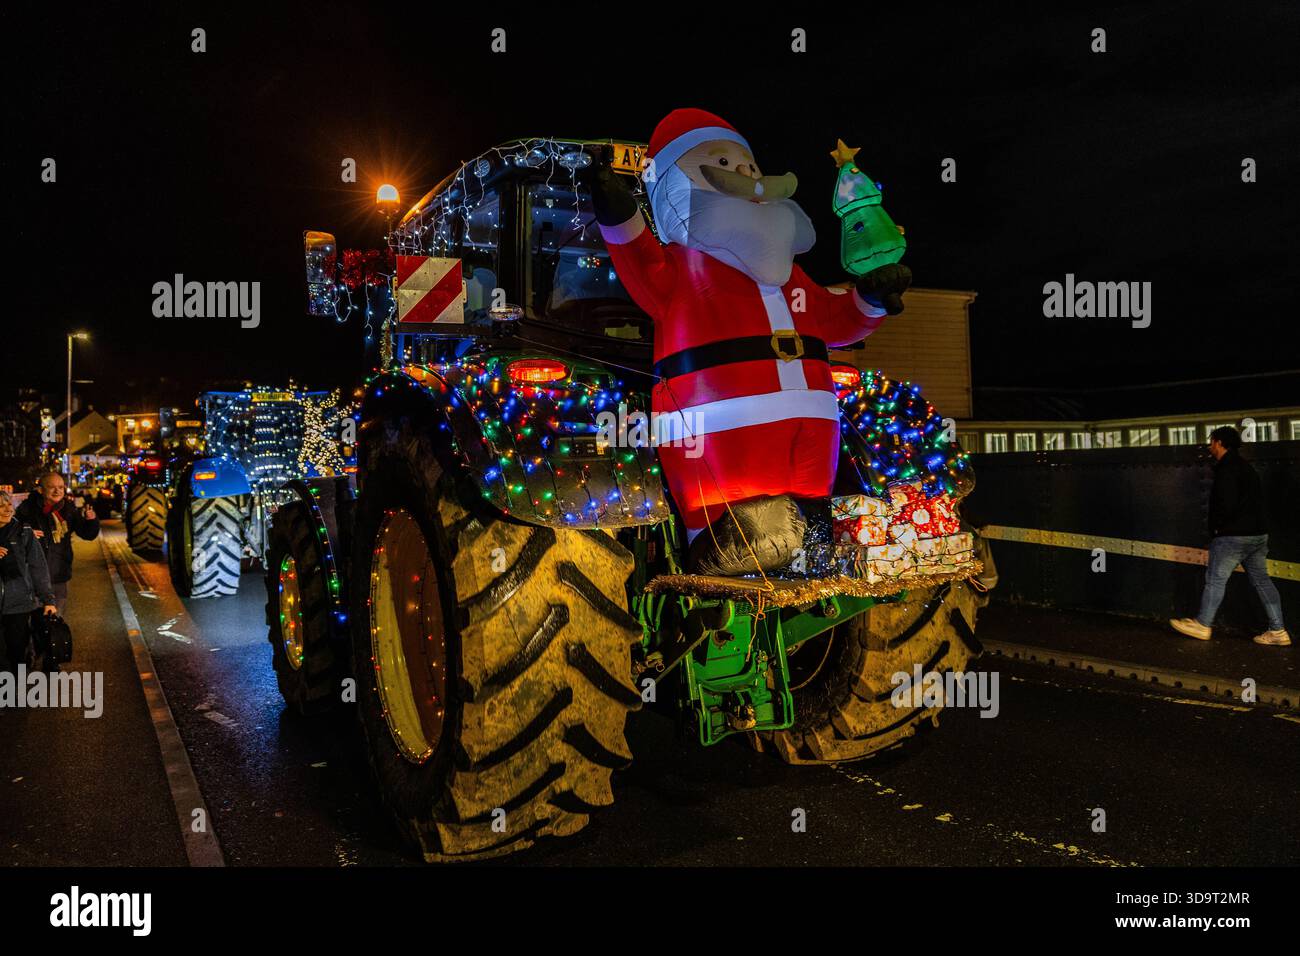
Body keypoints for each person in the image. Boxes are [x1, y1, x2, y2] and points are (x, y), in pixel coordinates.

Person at [1171, 426, 1290, 645]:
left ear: (1218, 443)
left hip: (1232, 536)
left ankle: (1202, 625)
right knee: (1263, 582)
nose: (1210, 447)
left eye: (1212, 442)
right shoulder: (1247, 468)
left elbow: (1224, 504)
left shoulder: (1226, 469)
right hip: (1257, 535)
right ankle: (1278, 631)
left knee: (1215, 580)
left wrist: (1216, 529)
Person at [14, 471, 100, 616]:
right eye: (52, 487)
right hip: (32, 576)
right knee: (32, 621)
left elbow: (87, 534)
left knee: (55, 620)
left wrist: (91, 521)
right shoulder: (27, 509)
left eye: (61, 487)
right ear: (41, 490)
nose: (57, 491)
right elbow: (12, 534)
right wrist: (26, 534)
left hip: (58, 574)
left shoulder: (69, 509)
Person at [0, 491, 58, 675]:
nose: (7, 509)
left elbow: (38, 567)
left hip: (18, 603)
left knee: (16, 652)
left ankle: (13, 693)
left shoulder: (24, 532)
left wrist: (48, 600)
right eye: (1, 505)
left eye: (9, 504)